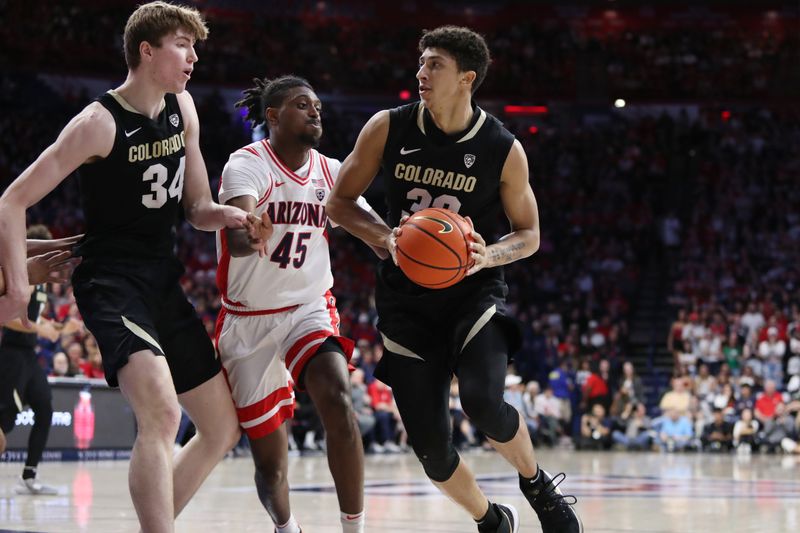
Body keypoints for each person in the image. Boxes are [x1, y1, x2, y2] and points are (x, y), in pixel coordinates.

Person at [0, 3, 270, 530]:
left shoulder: (183, 108)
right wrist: (13, 289)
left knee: (220, 427)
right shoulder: (98, 123)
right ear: (146, 51)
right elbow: (12, 200)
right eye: (182, 44)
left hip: (162, 280)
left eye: (195, 47)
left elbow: (196, 210)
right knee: (163, 415)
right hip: (110, 282)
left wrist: (235, 215)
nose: (193, 57)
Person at [327, 25, 582, 533]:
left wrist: (488, 256)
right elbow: (339, 202)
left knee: (484, 402)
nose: (421, 73)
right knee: (431, 450)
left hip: (472, 293)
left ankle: (537, 486)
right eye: (421, 62)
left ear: (467, 78)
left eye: (434, 64)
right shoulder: (388, 127)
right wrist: (386, 237)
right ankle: (490, 518)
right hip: (405, 301)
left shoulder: (501, 147)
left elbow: (528, 234)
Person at [215, 75, 373, 533]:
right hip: (248, 321)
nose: (315, 111)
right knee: (272, 467)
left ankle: (354, 529)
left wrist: (395, 241)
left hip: (308, 307)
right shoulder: (245, 165)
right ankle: (288, 529)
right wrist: (252, 232)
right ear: (273, 115)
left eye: (317, 105)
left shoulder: (331, 172)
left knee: (338, 399)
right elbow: (238, 237)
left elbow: (368, 225)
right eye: (302, 104)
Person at [0, 225, 82, 493]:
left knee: (45, 409)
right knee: (5, 423)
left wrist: (59, 328)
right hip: (11, 354)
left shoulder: (43, 280)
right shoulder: (21, 272)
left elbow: (35, 320)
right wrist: (42, 329)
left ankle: (29, 476)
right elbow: (9, 318)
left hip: (29, 355)